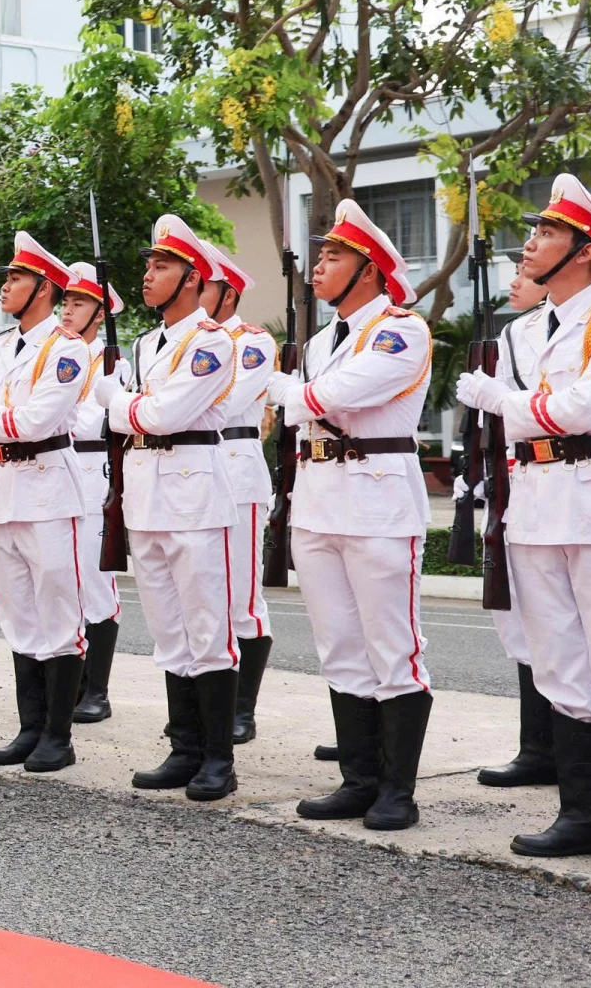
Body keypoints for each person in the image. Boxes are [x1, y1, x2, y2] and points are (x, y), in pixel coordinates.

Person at [263, 202, 433, 828]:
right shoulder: (317, 341)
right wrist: (296, 396)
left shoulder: (400, 329)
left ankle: (398, 791)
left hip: (378, 502)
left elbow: (330, 398)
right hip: (319, 500)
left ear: (370, 269)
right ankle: (358, 780)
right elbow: (312, 407)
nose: (319, 267)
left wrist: (287, 392)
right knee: (340, 647)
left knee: (394, 648)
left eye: (334, 257)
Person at [457, 173, 591, 855]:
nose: (531, 243)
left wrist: (502, 403)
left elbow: (578, 409)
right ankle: (580, 811)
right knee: (560, 660)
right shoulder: (534, 329)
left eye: (547, 232)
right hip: (538, 502)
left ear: (586, 248)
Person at [93, 214, 242, 802]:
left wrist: (117, 399)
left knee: (208, 630)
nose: (148, 276)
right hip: (148, 496)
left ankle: (218, 758)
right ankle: (183, 746)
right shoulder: (146, 342)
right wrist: (131, 403)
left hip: (195, 498)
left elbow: (164, 416)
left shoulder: (210, 342)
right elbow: (144, 413)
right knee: (169, 631)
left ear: (191, 279)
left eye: (162, 267)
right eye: (149, 265)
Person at [0, 235, 93, 771]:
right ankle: (29, 728)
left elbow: (33, 422)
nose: (5, 286)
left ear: (44, 288)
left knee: (58, 614)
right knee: (20, 617)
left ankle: (59, 735)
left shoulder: (68, 347)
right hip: (5, 490)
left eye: (15, 278)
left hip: (49, 489)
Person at [464, 270, 555, 789]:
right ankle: (538, 748)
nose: (516, 279)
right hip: (518, 485)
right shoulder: (515, 334)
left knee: (567, 633)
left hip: (565, 484)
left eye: (526, 273)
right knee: (522, 624)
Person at [193, 240, 279, 744]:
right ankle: (206, 704)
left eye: (201, 284)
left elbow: (225, 403)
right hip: (192, 474)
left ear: (226, 293)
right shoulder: (179, 343)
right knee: (200, 595)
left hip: (235, 467)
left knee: (241, 598)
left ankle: (242, 709)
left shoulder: (251, 342)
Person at [56, 263, 125, 724]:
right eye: (65, 302)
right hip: (57, 470)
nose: (68, 310)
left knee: (95, 580)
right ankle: (71, 679)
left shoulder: (112, 362)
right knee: (62, 578)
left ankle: (96, 689)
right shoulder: (54, 354)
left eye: (79, 304)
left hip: (94, 468)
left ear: (99, 314)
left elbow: (100, 419)